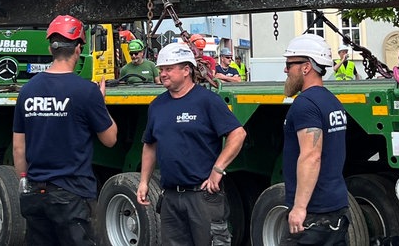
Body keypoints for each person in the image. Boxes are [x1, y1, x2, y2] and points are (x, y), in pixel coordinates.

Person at [14, 15, 117, 246]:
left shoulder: (27, 91)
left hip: (34, 193)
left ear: (51, 48)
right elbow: (110, 139)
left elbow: (19, 148)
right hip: (72, 195)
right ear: (79, 48)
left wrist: (25, 181)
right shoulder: (86, 91)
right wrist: (102, 104)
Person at [137, 42, 247, 246]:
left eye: (169, 69)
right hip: (170, 198)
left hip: (202, 197)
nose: (163, 74)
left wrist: (218, 169)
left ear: (186, 70)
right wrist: (144, 182)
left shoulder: (207, 101)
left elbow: (237, 134)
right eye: (161, 69)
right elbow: (150, 145)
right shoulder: (157, 106)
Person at [281, 34, 351, 245]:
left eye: (289, 64)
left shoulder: (305, 104)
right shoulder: (332, 101)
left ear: (306, 67)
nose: (286, 70)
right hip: (336, 206)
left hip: (315, 213)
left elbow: (311, 157)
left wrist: (300, 207)